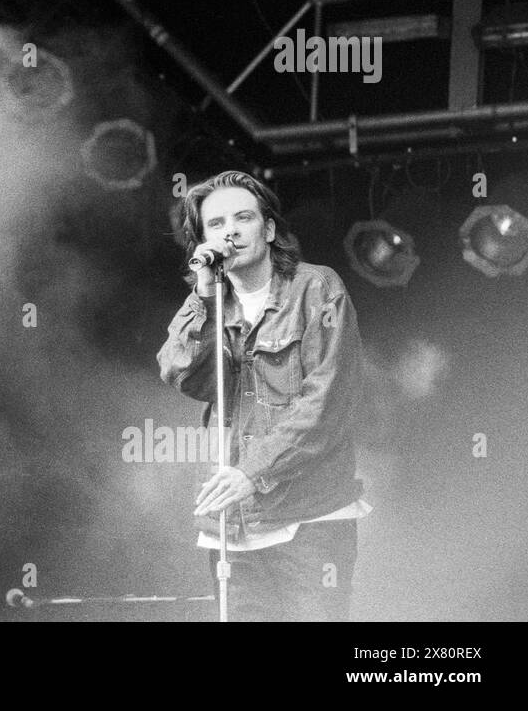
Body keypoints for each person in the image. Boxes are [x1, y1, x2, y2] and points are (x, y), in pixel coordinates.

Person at [156, 171, 369, 621]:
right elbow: (177, 370)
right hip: (232, 526)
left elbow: (327, 402)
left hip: (310, 518)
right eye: (215, 224)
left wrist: (251, 472)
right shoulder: (212, 302)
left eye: (243, 218)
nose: (229, 231)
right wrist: (203, 295)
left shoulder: (317, 288)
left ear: (268, 230)